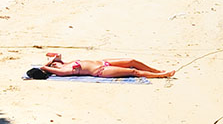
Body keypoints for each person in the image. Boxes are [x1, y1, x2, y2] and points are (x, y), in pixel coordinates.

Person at [28, 53, 174, 79]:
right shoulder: (63, 71)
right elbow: (44, 67)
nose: (54, 62)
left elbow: (56, 56)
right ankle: (161, 75)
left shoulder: (64, 64)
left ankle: (155, 70)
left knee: (131, 60)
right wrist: (48, 65)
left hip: (103, 62)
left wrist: (55, 59)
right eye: (53, 64)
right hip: (101, 70)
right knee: (133, 71)